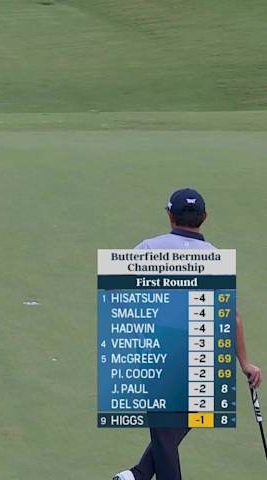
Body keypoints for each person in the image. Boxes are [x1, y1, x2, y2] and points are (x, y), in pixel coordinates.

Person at [113, 188, 262, 480]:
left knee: (167, 435)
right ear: (204, 217)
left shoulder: (148, 248)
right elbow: (231, 315)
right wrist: (244, 362)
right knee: (173, 428)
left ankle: (140, 474)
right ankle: (139, 474)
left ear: (170, 216)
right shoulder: (215, 257)